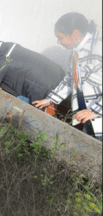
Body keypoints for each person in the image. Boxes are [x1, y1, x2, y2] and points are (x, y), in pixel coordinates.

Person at [33, 12, 102, 140]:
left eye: (60, 37)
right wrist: (50, 99)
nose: (58, 42)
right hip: (88, 116)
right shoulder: (76, 52)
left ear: (75, 34)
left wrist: (96, 111)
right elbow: (70, 79)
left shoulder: (99, 48)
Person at [0, 37, 66, 104]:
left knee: (36, 124)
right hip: (58, 73)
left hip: (44, 87)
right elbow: (15, 73)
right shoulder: (6, 47)